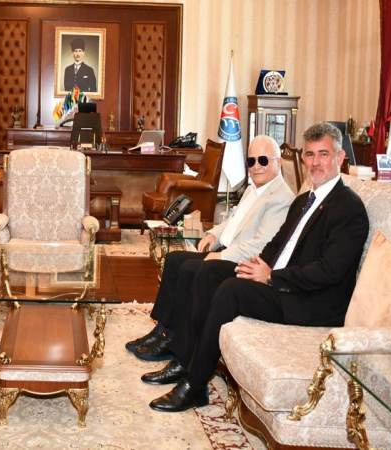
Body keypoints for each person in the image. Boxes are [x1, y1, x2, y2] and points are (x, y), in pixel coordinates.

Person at [147, 122, 369, 413]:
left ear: (340, 158)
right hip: (282, 281)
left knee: (231, 291)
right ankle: (186, 358)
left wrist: (271, 277)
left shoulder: (349, 208)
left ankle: (195, 384)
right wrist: (257, 263)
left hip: (310, 300)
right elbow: (277, 244)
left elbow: (330, 271)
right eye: (310, 154)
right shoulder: (305, 200)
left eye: (323, 154)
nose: (315, 162)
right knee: (210, 272)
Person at [127, 135, 294, 362]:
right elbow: (234, 220)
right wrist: (213, 235)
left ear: (278, 162)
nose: (256, 166)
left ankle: (173, 340)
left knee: (188, 269)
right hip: (228, 249)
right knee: (174, 260)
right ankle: (162, 330)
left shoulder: (281, 199)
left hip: (243, 262)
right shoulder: (253, 188)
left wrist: (220, 255)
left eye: (263, 160)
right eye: (251, 161)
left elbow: (260, 245)